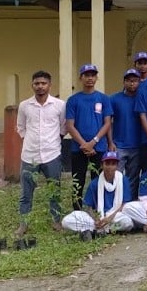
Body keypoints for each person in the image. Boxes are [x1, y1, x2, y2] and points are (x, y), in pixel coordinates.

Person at [15, 70, 66, 235]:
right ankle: (24, 223)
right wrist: (31, 141)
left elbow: (63, 128)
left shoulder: (59, 105)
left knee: (54, 190)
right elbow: (21, 128)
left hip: (52, 154)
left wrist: (51, 142)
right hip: (29, 156)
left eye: (43, 83)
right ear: (32, 85)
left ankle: (56, 220)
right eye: (37, 83)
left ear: (50, 85)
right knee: (26, 192)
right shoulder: (24, 106)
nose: (40, 87)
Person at [65, 63, 113, 210]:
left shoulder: (103, 98)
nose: (90, 78)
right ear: (81, 78)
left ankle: (98, 210)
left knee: (98, 180)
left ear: (96, 78)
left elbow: (107, 123)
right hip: (78, 148)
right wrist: (84, 144)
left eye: (93, 75)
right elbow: (70, 125)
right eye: (86, 75)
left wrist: (93, 142)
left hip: (98, 147)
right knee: (77, 180)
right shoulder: (73, 100)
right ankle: (77, 212)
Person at [61, 151, 133, 241]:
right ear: (102, 165)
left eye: (113, 164)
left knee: (127, 222)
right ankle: (98, 229)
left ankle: (97, 231)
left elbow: (124, 205)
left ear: (117, 166)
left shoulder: (123, 180)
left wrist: (109, 218)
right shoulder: (95, 183)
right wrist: (96, 219)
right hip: (98, 218)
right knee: (66, 221)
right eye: (107, 164)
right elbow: (88, 207)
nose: (110, 167)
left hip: (115, 216)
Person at [110, 69, 143, 200]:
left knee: (133, 178)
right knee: (115, 175)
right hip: (119, 145)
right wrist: (110, 142)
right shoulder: (114, 99)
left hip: (137, 145)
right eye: (129, 81)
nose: (132, 84)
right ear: (124, 82)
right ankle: (114, 202)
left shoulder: (142, 98)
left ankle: (130, 203)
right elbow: (108, 121)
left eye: (135, 81)